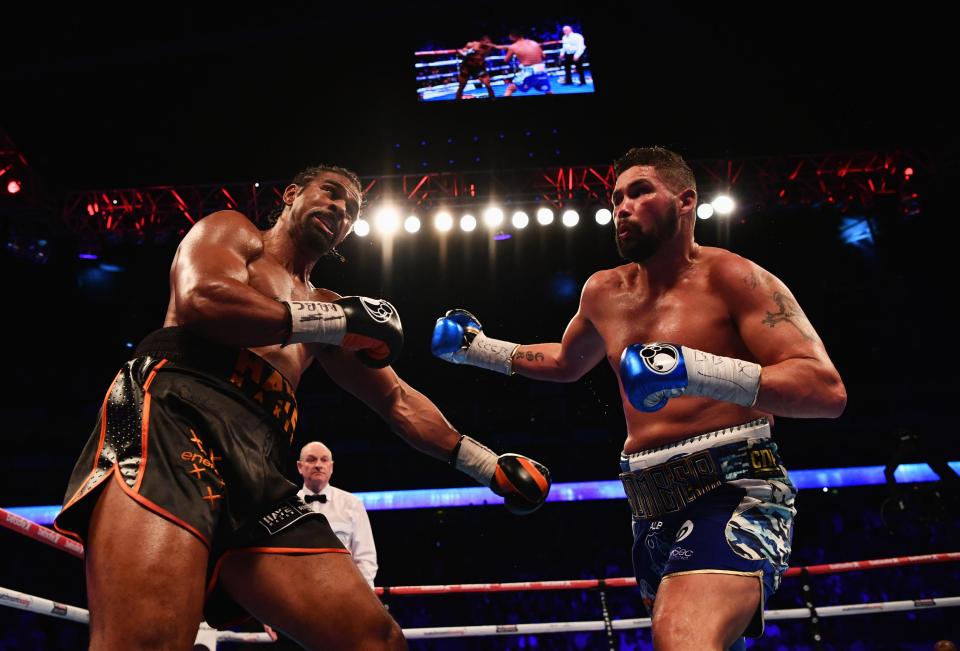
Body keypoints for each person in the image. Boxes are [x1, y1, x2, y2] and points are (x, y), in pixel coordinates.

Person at [53, 164, 551, 650]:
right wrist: (334, 321)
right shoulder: (234, 231)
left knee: (374, 640)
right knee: (149, 642)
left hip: (258, 464)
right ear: (291, 194)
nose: (339, 208)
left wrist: (487, 465)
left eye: (351, 209)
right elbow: (202, 298)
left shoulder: (330, 305)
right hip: (174, 421)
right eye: (330, 192)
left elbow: (396, 400)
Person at [431, 147, 846, 650]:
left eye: (640, 191)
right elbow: (566, 361)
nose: (622, 206)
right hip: (649, 507)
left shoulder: (734, 277)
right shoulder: (605, 292)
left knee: (682, 638)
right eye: (617, 196)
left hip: (734, 489)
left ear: (686, 200)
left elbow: (825, 391)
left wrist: (695, 370)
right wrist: (477, 350)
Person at [297, 441, 378, 587]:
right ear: (300, 467)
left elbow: (365, 557)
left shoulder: (352, 504)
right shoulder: (289, 505)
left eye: (324, 459)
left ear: (331, 467)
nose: (318, 465)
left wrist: (360, 593)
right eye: (311, 459)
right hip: (300, 590)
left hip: (343, 590)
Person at [503, 30, 552, 96]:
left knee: (510, 88)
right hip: (541, 69)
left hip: (529, 71)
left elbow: (506, 60)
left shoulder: (513, 46)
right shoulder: (533, 42)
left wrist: (520, 57)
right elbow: (543, 56)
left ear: (512, 36)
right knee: (547, 90)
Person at [456, 36, 497, 100]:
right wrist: (468, 52)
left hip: (479, 68)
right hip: (467, 67)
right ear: (481, 41)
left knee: (488, 84)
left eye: (489, 43)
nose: (488, 44)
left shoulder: (489, 47)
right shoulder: (471, 44)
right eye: (486, 42)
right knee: (462, 86)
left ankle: (493, 99)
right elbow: (460, 52)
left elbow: (498, 47)